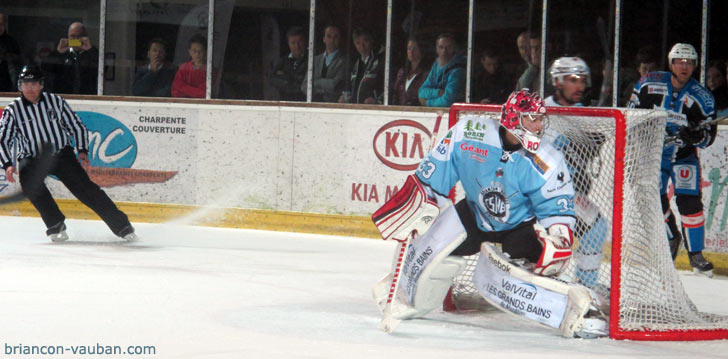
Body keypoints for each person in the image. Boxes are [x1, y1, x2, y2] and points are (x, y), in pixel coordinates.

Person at [372, 90, 605, 338]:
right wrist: (422, 199)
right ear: (514, 118)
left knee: (539, 267)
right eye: (532, 119)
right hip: (473, 215)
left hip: (520, 227)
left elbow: (556, 206)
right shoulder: (469, 133)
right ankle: (400, 290)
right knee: (425, 246)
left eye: (540, 119)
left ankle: (577, 310)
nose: (538, 126)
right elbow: (436, 173)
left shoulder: (548, 160)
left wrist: (559, 238)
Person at [0, 66, 137, 242]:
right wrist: (8, 164)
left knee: (86, 190)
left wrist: (82, 150)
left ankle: (122, 226)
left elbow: (76, 125)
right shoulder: (13, 110)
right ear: (20, 86)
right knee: (31, 186)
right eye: (25, 84)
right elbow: (4, 139)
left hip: (60, 154)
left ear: (41, 85)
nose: (30, 88)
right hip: (31, 158)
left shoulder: (55, 102)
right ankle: (55, 224)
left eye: (33, 83)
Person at [628, 43, 717, 277]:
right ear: (671, 63)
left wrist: (696, 135)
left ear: (695, 66)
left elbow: (708, 138)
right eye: (679, 61)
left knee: (690, 204)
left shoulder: (703, 97)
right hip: (654, 156)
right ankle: (672, 236)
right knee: (653, 200)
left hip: (684, 157)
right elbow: (631, 113)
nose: (684, 66)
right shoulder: (649, 82)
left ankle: (695, 255)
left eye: (689, 62)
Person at [546, 57, 608, 288]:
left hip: (567, 192)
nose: (579, 86)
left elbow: (584, 154)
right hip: (544, 191)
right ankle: (585, 285)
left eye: (582, 80)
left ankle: (585, 285)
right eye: (573, 80)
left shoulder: (585, 113)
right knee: (595, 227)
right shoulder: (542, 110)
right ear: (558, 81)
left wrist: (593, 143)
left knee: (595, 228)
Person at [42, 22, 98, 95]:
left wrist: (90, 50)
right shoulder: (61, 54)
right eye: (72, 36)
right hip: (63, 97)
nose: (76, 39)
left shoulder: (92, 53)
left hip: (86, 98)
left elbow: (103, 70)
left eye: (79, 36)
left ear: (85, 36)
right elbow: (45, 68)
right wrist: (58, 52)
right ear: (68, 37)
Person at [418, 33, 466, 107]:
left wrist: (427, 103)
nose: (444, 51)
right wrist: (438, 93)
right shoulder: (436, 65)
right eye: (441, 47)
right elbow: (421, 92)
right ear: (436, 49)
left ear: (454, 48)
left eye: (448, 47)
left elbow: (447, 101)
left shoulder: (458, 70)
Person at [302, 25, 345, 103]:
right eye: (329, 36)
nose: (332, 40)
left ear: (340, 39)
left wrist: (316, 82)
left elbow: (335, 85)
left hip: (333, 105)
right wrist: (322, 88)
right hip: (313, 103)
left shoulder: (344, 61)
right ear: (324, 39)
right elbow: (304, 86)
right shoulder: (315, 59)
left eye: (335, 37)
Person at [340, 27, 383, 104]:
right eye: (358, 43)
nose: (362, 46)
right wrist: (344, 98)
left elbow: (388, 89)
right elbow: (348, 88)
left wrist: (376, 101)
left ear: (371, 40)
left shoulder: (380, 62)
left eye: (365, 41)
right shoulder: (353, 64)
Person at [269, 26, 307, 101]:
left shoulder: (312, 60)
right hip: (285, 102)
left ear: (305, 41)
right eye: (293, 43)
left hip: (304, 103)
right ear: (288, 44)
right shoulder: (283, 60)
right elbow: (272, 78)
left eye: (300, 42)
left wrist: (285, 76)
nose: (297, 46)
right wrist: (287, 83)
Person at [391, 36, 428, 106]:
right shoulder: (402, 72)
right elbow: (395, 95)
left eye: (415, 48)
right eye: (409, 48)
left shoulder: (426, 74)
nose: (411, 51)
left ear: (421, 50)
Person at [171, 34, 209, 98]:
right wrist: (195, 91)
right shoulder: (183, 68)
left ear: (205, 52)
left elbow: (204, 94)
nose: (197, 54)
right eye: (194, 50)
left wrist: (182, 87)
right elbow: (175, 92)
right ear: (189, 52)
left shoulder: (211, 70)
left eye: (200, 51)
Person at [0, 13, 21, 92]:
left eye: (1, 24)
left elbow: (18, 61)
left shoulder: (11, 42)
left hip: (6, 87)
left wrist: (5, 56)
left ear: (4, 25)